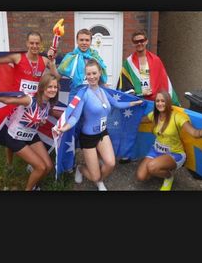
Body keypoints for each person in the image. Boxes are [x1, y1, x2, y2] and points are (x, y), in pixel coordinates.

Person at [55, 59, 143, 191]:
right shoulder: (83, 93)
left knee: (111, 164)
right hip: (88, 138)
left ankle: (99, 181)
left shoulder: (104, 91)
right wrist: (64, 128)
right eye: (88, 74)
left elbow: (117, 104)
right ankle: (81, 168)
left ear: (99, 73)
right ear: (86, 75)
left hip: (103, 133)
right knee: (94, 176)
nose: (91, 77)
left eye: (94, 73)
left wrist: (134, 103)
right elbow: (75, 116)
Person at [0, 31, 55, 166]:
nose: (34, 46)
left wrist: (52, 64)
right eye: (31, 43)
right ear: (27, 43)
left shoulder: (45, 60)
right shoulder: (18, 57)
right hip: (16, 103)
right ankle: (9, 163)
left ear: (40, 45)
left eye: (37, 43)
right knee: (12, 131)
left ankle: (32, 160)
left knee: (31, 128)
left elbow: (55, 77)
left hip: (33, 104)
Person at [0, 73, 59, 191]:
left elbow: (38, 118)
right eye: (50, 86)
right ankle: (29, 189)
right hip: (15, 137)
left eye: (55, 87)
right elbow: (7, 99)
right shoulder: (29, 100)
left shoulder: (48, 104)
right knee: (41, 167)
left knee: (48, 166)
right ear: (42, 88)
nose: (53, 89)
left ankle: (34, 176)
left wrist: (41, 122)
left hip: (31, 135)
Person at [136, 90, 202, 191]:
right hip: (156, 151)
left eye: (163, 101)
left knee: (152, 167)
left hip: (174, 153)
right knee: (141, 176)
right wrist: (130, 107)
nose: (160, 104)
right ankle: (159, 168)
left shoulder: (177, 117)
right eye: (157, 101)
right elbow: (139, 120)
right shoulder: (154, 115)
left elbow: (196, 133)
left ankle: (168, 177)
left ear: (168, 102)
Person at [117, 30, 180, 106]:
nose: (139, 43)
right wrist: (141, 93)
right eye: (136, 41)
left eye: (141, 41)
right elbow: (124, 86)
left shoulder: (156, 60)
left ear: (146, 41)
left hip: (154, 103)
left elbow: (163, 82)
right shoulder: (128, 63)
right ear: (133, 44)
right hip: (137, 103)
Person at [48, 28, 108, 102]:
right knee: (73, 114)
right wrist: (52, 62)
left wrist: (107, 92)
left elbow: (102, 79)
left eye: (87, 40)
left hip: (94, 95)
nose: (84, 43)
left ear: (91, 41)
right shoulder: (70, 57)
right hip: (76, 95)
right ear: (77, 41)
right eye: (81, 40)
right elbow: (56, 77)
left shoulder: (95, 58)